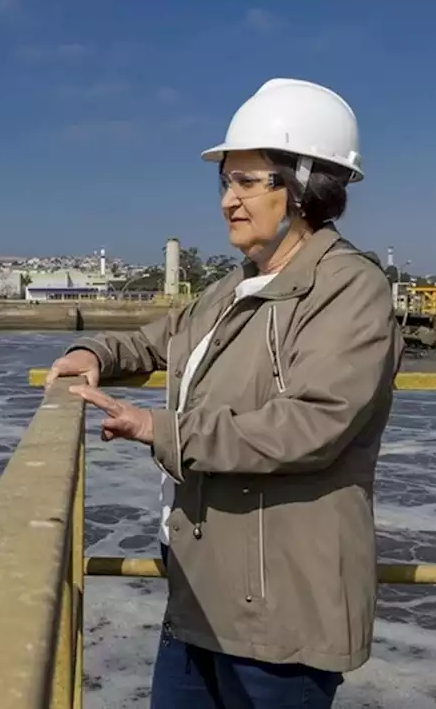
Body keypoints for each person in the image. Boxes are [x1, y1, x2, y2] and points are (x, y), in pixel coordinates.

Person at [45, 78, 404, 709]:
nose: (227, 202)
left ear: (304, 187)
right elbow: (165, 338)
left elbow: (313, 425)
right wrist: (93, 353)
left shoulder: (348, 288)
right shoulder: (238, 285)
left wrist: (157, 429)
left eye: (247, 182)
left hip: (280, 605)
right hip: (202, 589)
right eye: (225, 183)